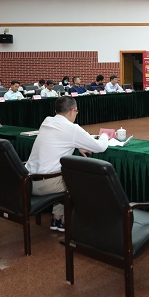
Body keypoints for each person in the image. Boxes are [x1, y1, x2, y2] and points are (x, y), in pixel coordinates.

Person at [25, 96, 110, 231]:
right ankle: (78, 221)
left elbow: (59, 141)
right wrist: (105, 135)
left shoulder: (47, 121)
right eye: (77, 112)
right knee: (83, 179)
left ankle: (57, 219)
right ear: (72, 110)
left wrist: (77, 145)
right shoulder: (72, 128)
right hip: (47, 185)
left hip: (28, 182)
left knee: (62, 174)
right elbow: (100, 147)